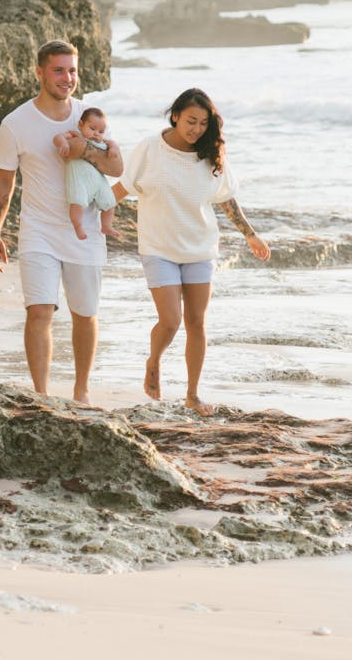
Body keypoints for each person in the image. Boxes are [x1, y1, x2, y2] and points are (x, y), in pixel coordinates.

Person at [112, 88, 270, 417]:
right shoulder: (149, 148)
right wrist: (90, 217)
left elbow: (225, 198)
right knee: (170, 321)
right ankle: (153, 361)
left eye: (202, 123)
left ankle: (192, 395)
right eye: (190, 121)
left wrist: (250, 235)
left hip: (199, 248)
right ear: (175, 116)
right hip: (158, 247)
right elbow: (122, 187)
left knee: (196, 322)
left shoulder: (210, 154)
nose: (196, 129)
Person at [0, 40, 123, 406]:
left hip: (85, 231)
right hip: (37, 232)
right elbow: (3, 183)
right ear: (40, 73)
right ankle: (41, 396)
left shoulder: (89, 117)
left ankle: (81, 392)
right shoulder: (14, 123)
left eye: (73, 70)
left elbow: (116, 168)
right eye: (59, 70)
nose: (67, 78)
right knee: (39, 310)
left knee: (85, 313)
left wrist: (86, 149)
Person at [54, 107, 118, 240]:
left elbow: (113, 144)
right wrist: (63, 143)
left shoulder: (104, 143)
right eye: (92, 129)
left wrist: (113, 149)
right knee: (77, 203)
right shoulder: (75, 135)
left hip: (99, 181)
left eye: (101, 131)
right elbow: (57, 137)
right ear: (81, 125)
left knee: (110, 204)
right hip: (79, 180)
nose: (96, 134)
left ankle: (106, 225)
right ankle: (78, 226)